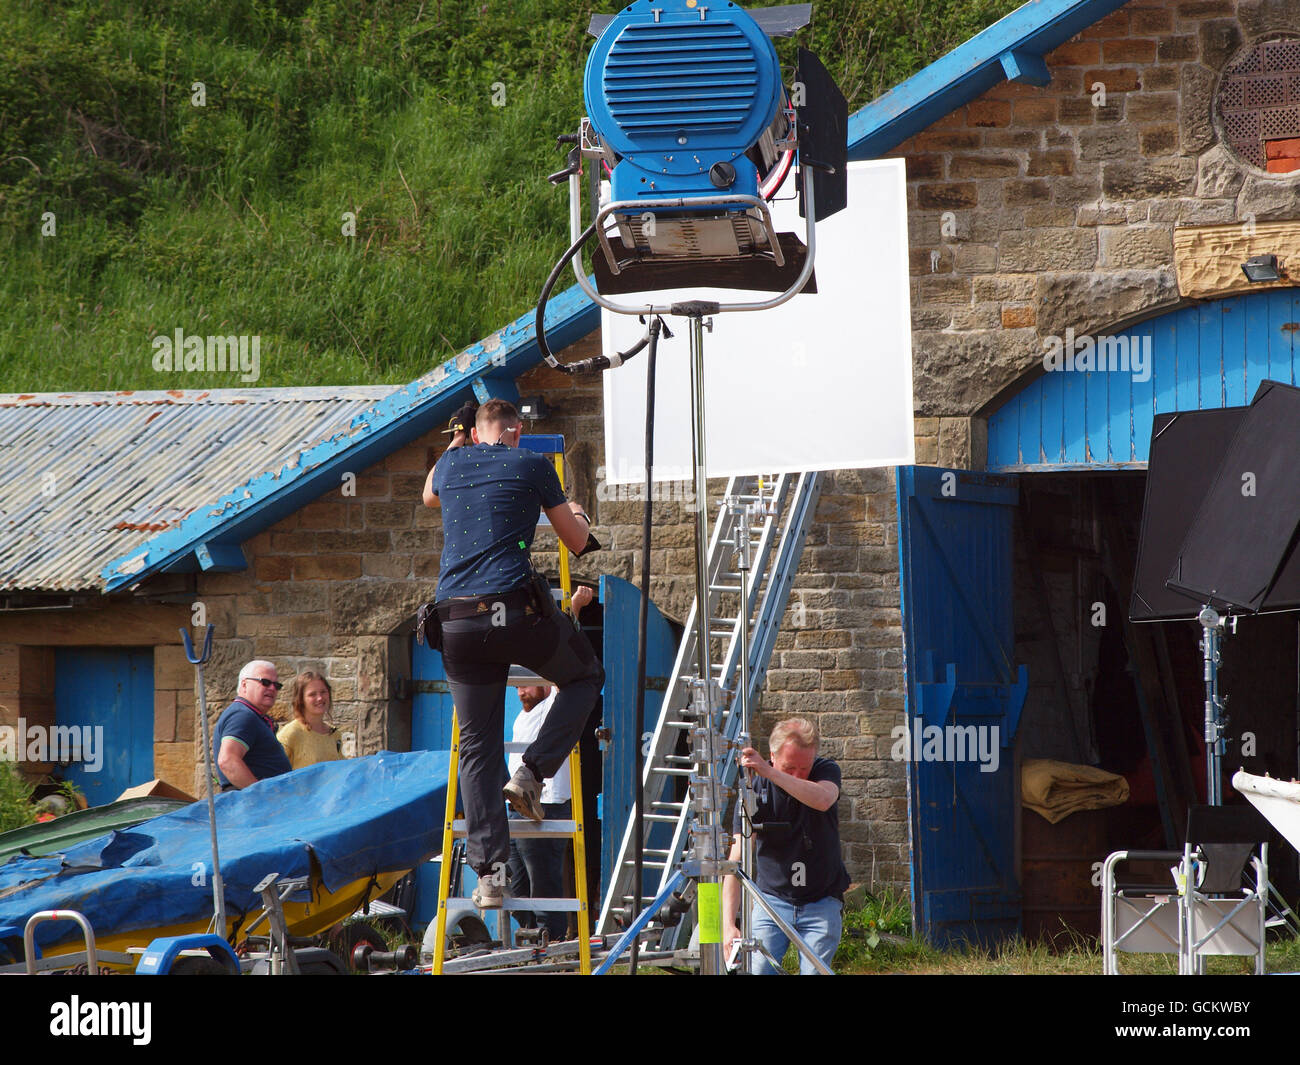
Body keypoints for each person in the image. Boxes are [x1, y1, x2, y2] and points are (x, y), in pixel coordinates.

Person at [423, 398, 604, 909]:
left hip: (455, 620)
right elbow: (575, 541)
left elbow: (429, 494)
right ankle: (531, 773)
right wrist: (579, 512)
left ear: (474, 433)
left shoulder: (452, 463)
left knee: (478, 746)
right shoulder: (530, 463)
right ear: (517, 431)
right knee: (585, 677)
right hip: (515, 614)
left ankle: (490, 877)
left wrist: (457, 440)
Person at [721, 717, 849, 974]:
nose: (798, 775)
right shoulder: (754, 790)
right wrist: (728, 924)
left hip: (821, 899)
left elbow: (823, 799)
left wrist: (771, 772)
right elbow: (736, 860)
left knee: (815, 972)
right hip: (772, 900)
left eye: (805, 768)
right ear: (772, 755)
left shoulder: (826, 770)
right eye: (790, 767)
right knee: (758, 971)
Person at [504, 586, 595, 940]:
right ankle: (530, 938)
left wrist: (573, 607)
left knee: (542, 880)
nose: (521, 691)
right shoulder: (521, 715)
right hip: (516, 805)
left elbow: (564, 658)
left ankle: (550, 939)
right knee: (516, 880)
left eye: (527, 686)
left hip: (547, 805)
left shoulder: (553, 701)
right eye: (518, 688)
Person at [214, 660, 292, 791]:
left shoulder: (252, 716)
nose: (272, 688)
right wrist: (260, 795)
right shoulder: (242, 715)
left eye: (276, 685)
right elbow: (228, 761)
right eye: (265, 682)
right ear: (244, 685)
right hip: (251, 805)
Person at [277, 671, 343, 770]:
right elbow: (274, 776)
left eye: (323, 692)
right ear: (300, 699)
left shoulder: (334, 734)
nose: (320, 698)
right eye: (312, 694)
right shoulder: (290, 734)